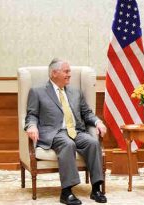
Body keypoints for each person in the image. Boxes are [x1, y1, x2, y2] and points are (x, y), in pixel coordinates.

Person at [25, 58, 107, 204]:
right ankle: (66, 192)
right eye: (66, 71)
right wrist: (31, 126)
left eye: (69, 71)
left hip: (77, 131)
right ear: (54, 73)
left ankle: (96, 189)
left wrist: (97, 121)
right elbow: (32, 115)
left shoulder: (76, 92)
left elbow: (86, 113)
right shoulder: (37, 92)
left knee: (93, 143)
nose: (70, 74)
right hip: (55, 132)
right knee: (68, 144)